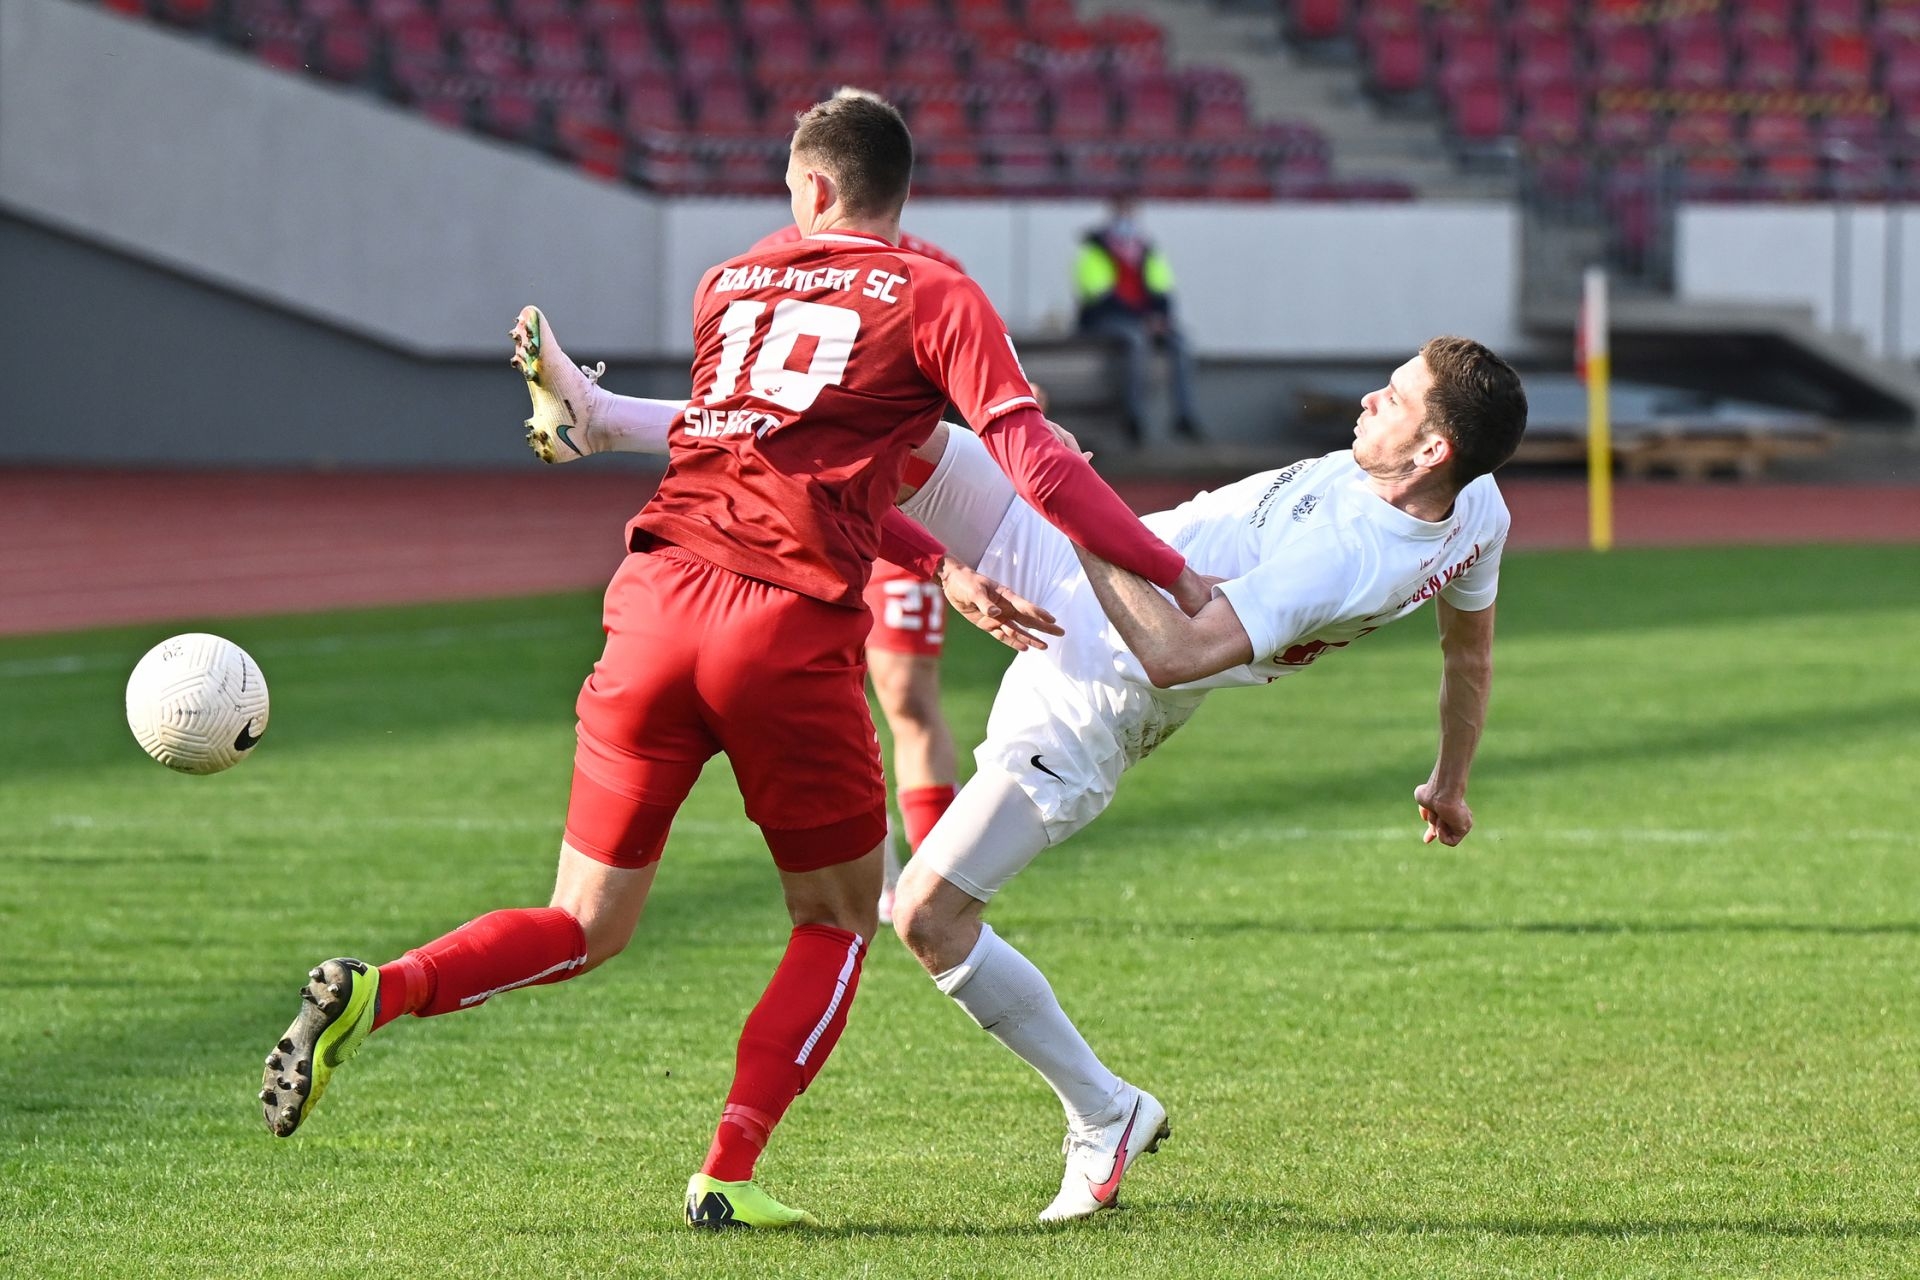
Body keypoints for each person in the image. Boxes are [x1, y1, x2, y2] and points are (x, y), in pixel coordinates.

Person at [256, 90, 1212, 1233]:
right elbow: (1040, 468)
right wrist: (1170, 571)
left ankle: (382, 989)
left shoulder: (733, 281)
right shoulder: (934, 291)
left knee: (584, 920)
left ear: (813, 187)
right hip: (780, 631)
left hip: (653, 601)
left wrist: (937, 563)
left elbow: (771, 455)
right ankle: (727, 1170)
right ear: (897, 194)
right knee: (840, 915)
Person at [885, 336, 1527, 1221]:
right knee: (883, 439)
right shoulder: (1477, 500)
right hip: (1091, 553)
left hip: (1099, 687)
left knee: (928, 915)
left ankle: (1104, 1111)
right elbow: (1469, 653)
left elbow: (1174, 654)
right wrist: (1450, 784)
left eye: (1394, 397)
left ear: (1432, 451)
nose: (1370, 400)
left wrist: (1071, 499)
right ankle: (663, 430)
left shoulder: (1350, 557)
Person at [745, 217, 968, 923]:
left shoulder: (931, 268)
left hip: (900, 511)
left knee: (906, 695)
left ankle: (941, 885)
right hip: (806, 521)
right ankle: (875, 870)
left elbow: (980, 386)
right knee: (824, 702)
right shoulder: (775, 258)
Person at [1074, 195, 1205, 446]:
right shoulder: (1093, 249)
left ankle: (1184, 416)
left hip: (1144, 320)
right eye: (1122, 212)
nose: (1126, 220)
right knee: (1136, 342)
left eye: (1130, 213)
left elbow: (1162, 287)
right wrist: (1143, 320)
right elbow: (1099, 295)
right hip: (1107, 320)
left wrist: (1160, 318)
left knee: (1180, 342)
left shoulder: (1147, 250)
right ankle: (1133, 418)